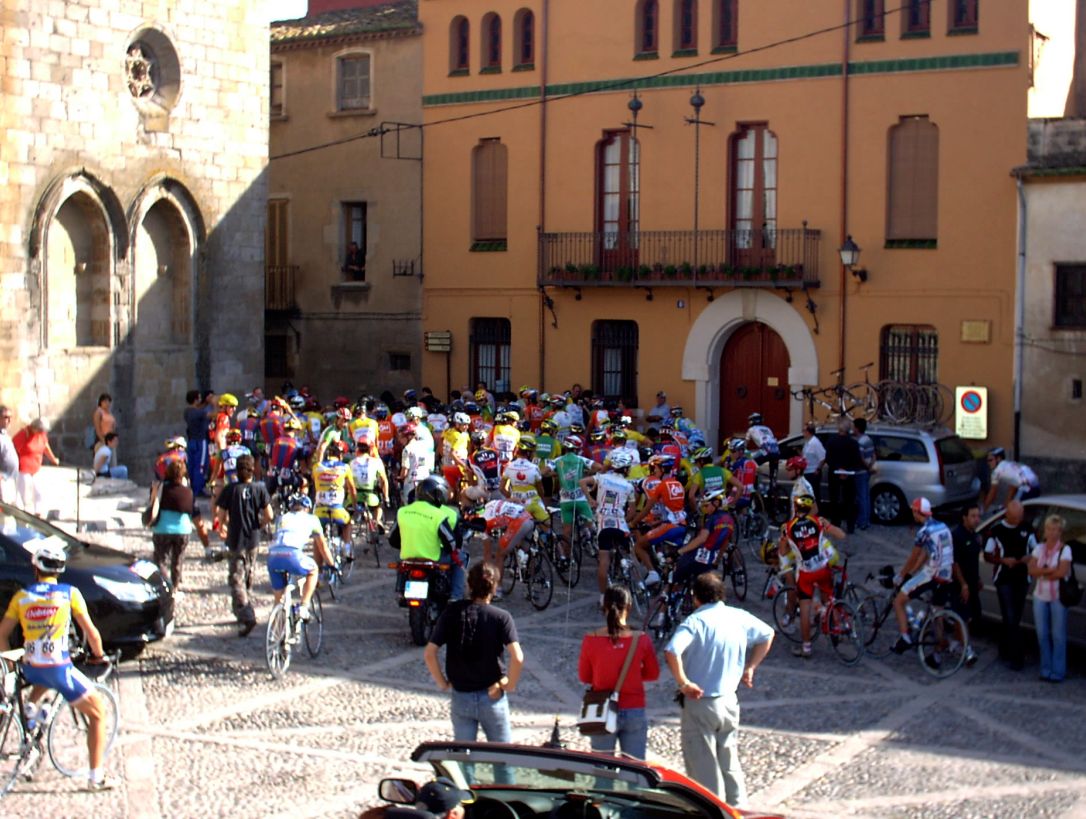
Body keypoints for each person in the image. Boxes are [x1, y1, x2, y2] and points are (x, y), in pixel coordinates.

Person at [0, 544, 115, 791]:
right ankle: (96, 778)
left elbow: (2, 634)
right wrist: (99, 655)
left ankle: (31, 715)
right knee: (98, 713)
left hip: (31, 668)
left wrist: (9, 664)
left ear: (35, 569)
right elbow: (91, 632)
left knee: (42, 680)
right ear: (59, 570)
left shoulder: (22, 597)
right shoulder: (69, 594)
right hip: (59, 668)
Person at [664, 572, 774, 808]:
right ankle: (738, 809)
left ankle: (712, 811)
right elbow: (767, 634)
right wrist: (751, 667)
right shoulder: (738, 616)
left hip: (700, 702)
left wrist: (683, 682)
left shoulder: (695, 622)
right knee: (729, 762)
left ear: (695, 597)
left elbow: (672, 650)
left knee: (704, 769)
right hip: (729, 701)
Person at [424, 562, 523, 777]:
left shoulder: (452, 612)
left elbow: (430, 653)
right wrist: (509, 684)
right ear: (494, 587)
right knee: (503, 761)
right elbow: (518, 657)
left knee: (463, 763)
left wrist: (442, 683)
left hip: (461, 696)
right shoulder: (501, 617)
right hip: (492, 695)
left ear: (469, 585)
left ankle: (466, 796)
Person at [891, 498, 976, 667]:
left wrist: (901, 575)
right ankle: (936, 654)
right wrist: (913, 572)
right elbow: (927, 553)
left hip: (932, 575)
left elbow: (914, 556)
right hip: (946, 575)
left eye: (913, 511)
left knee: (898, 601)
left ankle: (905, 637)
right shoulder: (942, 526)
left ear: (917, 512)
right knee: (937, 612)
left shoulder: (924, 532)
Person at [577, 586, 659, 759]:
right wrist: (633, 674)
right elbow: (653, 673)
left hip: (602, 710)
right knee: (634, 768)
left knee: (601, 768)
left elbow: (585, 676)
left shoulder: (590, 639)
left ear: (604, 607)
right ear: (629, 607)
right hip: (634, 708)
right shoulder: (641, 639)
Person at [779, 495, 846, 659]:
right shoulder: (819, 521)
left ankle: (806, 647)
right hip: (822, 569)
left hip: (805, 573)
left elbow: (782, 551)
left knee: (805, 610)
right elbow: (841, 535)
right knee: (829, 598)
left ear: (795, 508)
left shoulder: (787, 527)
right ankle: (837, 624)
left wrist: (793, 548)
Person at [214, 454, 274, 636]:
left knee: (235, 578)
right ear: (252, 470)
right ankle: (243, 607)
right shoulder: (259, 489)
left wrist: (222, 527)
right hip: (253, 539)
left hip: (235, 539)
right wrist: (260, 525)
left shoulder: (230, 490)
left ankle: (246, 614)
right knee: (248, 573)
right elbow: (269, 515)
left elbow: (220, 515)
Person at [580, 450, 637, 601]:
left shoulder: (602, 478)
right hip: (620, 524)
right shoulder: (629, 486)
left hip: (604, 524)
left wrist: (590, 500)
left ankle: (603, 596)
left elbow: (582, 482)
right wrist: (626, 520)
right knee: (628, 552)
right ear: (626, 469)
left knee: (604, 562)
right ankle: (629, 572)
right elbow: (632, 511)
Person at [983, 500, 1034, 670]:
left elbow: (1036, 549)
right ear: (1007, 515)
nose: (1018, 520)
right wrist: (1002, 560)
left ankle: (1004, 648)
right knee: (1010, 616)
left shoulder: (1027, 528)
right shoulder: (997, 530)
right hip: (1004, 578)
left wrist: (1029, 558)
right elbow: (987, 554)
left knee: (1014, 617)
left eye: (1020, 516)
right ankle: (1017, 657)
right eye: (1015, 517)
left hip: (1022, 578)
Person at [150, 458, 210, 595]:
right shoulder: (188, 493)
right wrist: (206, 543)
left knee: (161, 561)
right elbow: (195, 516)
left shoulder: (161, 489)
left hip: (162, 529)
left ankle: (165, 587)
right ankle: (175, 588)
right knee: (177, 560)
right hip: (182, 531)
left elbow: (152, 505)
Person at [267, 493, 332, 616]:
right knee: (313, 570)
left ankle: (277, 621)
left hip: (273, 555)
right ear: (307, 508)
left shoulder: (281, 518)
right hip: (292, 555)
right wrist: (331, 564)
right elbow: (322, 547)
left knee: (279, 598)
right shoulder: (312, 519)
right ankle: (303, 606)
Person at [1027, 514, 1073, 683]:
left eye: (1056, 530)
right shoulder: (1039, 549)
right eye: (1049, 529)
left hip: (1058, 597)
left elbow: (1061, 572)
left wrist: (1042, 573)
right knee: (1042, 634)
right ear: (1045, 531)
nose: (1052, 533)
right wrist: (1049, 571)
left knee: (1058, 635)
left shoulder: (1065, 550)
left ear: (1060, 532)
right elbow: (1031, 570)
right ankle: (1045, 668)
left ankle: (1058, 670)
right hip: (1040, 596)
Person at [673, 490, 735, 585]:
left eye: (706, 505)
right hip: (712, 559)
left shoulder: (712, 519)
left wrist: (680, 551)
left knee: (678, 568)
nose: (705, 509)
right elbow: (725, 542)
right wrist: (717, 561)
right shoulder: (730, 520)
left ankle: (674, 590)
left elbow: (701, 539)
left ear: (716, 503)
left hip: (701, 557)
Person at [823, 417, 864, 533]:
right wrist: (847, 470)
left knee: (834, 500)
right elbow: (857, 460)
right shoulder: (853, 443)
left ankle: (836, 523)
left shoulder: (831, 441)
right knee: (849, 501)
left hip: (834, 474)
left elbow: (828, 459)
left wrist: (838, 468)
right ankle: (850, 525)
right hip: (849, 475)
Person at [13, 418, 59, 515]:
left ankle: (38, 513)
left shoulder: (41, 434)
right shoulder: (24, 433)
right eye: (39, 430)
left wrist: (53, 459)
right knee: (25, 495)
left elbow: (46, 447)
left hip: (36, 469)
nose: (41, 432)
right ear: (34, 427)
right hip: (23, 469)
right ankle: (25, 515)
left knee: (39, 492)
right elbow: (13, 448)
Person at [951, 504, 983, 629]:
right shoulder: (957, 535)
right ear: (964, 517)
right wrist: (963, 585)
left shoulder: (974, 534)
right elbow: (955, 563)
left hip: (973, 583)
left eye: (978, 516)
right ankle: (960, 640)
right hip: (960, 585)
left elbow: (973, 559)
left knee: (975, 615)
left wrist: (978, 578)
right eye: (973, 516)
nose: (977, 519)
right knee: (961, 618)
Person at [983, 447, 1041, 512]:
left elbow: (992, 493)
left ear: (998, 459)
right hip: (1035, 485)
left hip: (1026, 487)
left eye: (990, 460)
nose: (988, 463)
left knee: (1014, 510)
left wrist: (984, 510)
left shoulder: (996, 471)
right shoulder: (1009, 464)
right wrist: (1006, 506)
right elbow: (1012, 488)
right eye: (987, 461)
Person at [184, 390, 210, 496]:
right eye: (199, 398)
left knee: (192, 465)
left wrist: (205, 404)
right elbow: (212, 414)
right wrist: (214, 403)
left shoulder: (187, 412)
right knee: (200, 466)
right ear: (195, 400)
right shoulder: (200, 413)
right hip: (200, 441)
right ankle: (198, 489)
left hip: (191, 441)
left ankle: (194, 488)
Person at [852, 418, 876, 530]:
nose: (852, 429)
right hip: (866, 472)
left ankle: (862, 521)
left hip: (860, 472)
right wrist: (870, 466)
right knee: (866, 496)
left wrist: (867, 467)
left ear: (857, 428)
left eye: (853, 427)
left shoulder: (860, 442)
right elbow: (874, 455)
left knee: (861, 497)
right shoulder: (868, 439)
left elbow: (860, 458)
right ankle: (866, 520)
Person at [800, 422, 826, 507]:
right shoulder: (807, 442)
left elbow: (823, 457)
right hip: (807, 472)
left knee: (814, 494)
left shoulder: (815, 443)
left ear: (808, 432)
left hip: (813, 472)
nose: (802, 432)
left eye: (804, 430)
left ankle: (816, 511)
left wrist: (818, 469)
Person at [0, 405, 19, 503]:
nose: (9, 420)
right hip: (3, 480)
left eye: (10, 417)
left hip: (12, 479)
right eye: (6, 417)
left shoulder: (5, 435)